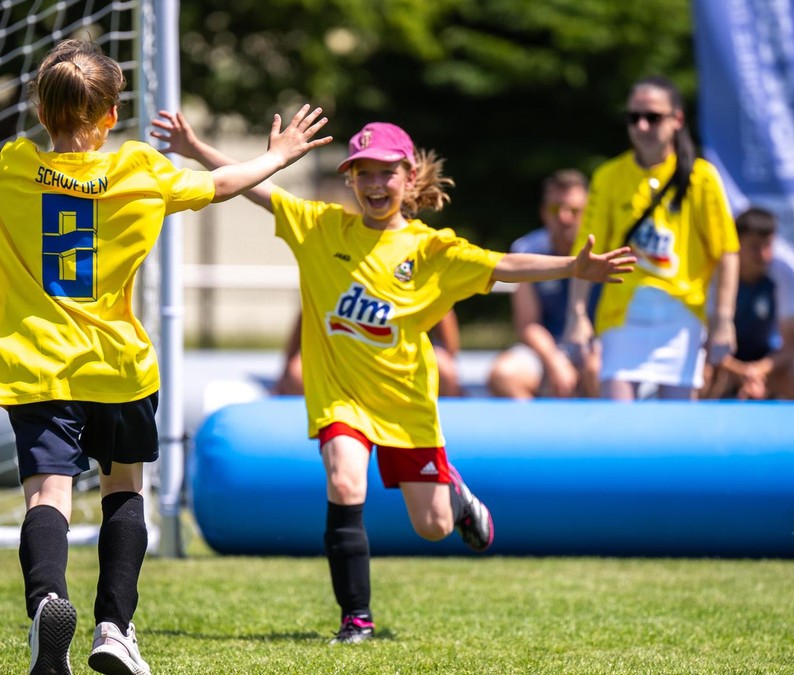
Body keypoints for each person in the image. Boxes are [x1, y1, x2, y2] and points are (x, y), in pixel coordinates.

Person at [151, 114, 634, 644]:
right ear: (351, 180)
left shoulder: (432, 251)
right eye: (364, 174)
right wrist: (196, 147)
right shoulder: (320, 227)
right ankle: (355, 618)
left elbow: (504, 264)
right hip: (340, 398)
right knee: (343, 480)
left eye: (386, 173)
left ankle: (456, 495)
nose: (376, 185)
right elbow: (253, 190)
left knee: (431, 527)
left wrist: (573, 267)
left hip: (405, 404)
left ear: (408, 178)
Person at [0, 39, 330, 675]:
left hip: (34, 366)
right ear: (111, 115)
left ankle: (47, 603)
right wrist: (276, 156)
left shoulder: (11, 170)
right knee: (123, 492)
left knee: (47, 496)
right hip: (118, 368)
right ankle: (114, 628)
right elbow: (222, 184)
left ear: (41, 108)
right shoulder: (141, 171)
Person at [565, 75, 740, 401]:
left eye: (653, 117)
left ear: (677, 120)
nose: (642, 126)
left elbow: (727, 252)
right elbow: (586, 252)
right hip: (622, 315)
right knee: (617, 423)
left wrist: (723, 320)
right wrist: (577, 316)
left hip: (682, 318)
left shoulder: (701, 178)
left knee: (677, 430)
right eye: (634, 117)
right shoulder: (609, 176)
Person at [488, 169, 601, 399]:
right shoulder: (527, 250)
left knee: (598, 371)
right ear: (543, 213)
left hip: (598, 344)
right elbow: (528, 324)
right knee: (504, 375)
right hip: (547, 347)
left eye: (575, 210)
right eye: (555, 209)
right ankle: (534, 434)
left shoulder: (607, 250)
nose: (564, 217)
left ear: (589, 212)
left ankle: (604, 434)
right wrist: (554, 361)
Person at [701, 207, 794, 400]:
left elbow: (791, 347)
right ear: (735, 245)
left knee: (792, 376)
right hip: (725, 363)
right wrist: (740, 372)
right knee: (704, 376)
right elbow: (708, 341)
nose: (763, 255)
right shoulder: (715, 276)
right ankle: (695, 428)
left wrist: (756, 371)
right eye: (754, 247)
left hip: (767, 362)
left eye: (768, 245)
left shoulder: (783, 275)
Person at [274, 310, 463, 396]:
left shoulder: (410, 255)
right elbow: (307, 310)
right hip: (345, 354)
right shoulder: (336, 256)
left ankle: (449, 431)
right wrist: (285, 373)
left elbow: (444, 311)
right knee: (298, 372)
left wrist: (452, 366)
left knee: (444, 368)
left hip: (401, 356)